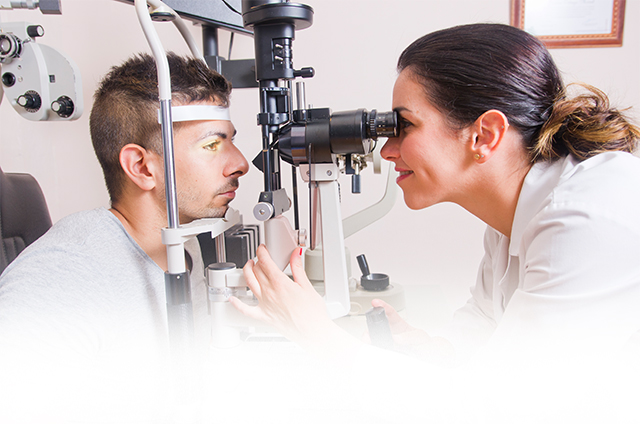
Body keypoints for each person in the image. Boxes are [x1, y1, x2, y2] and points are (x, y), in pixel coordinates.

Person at [230, 23, 640, 361]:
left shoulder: (586, 217)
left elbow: (502, 408)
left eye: (405, 126)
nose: (387, 150)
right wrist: (428, 348)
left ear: (484, 135)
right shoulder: (509, 222)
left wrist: (315, 333)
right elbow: (478, 335)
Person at [0, 53, 249, 363]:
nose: (240, 164)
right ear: (142, 167)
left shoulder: (183, 245)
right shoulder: (65, 279)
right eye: (212, 145)